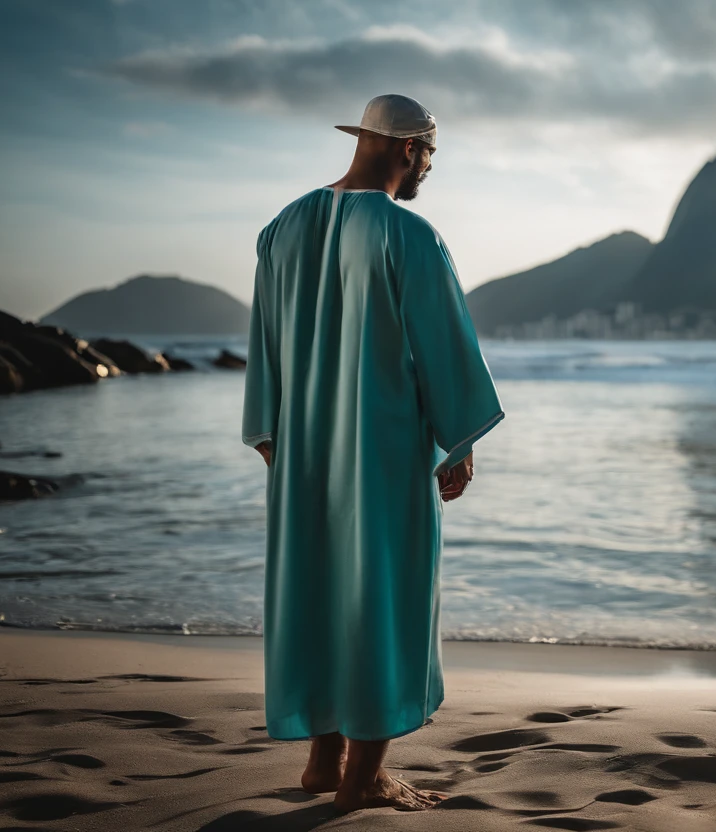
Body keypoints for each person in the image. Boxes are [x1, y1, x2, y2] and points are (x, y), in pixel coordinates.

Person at [241, 93, 505, 813]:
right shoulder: (407, 234)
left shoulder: (280, 230)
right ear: (406, 148)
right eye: (429, 155)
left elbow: (264, 352)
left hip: (300, 451)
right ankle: (364, 780)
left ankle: (324, 761)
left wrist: (272, 437)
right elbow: (442, 345)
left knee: (318, 592)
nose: (427, 170)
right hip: (383, 450)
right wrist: (460, 438)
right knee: (386, 598)